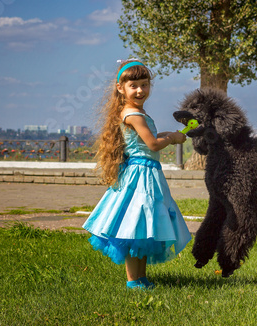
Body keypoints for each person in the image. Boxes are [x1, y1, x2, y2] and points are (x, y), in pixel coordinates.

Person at [82, 60, 191, 289]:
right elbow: (152, 144)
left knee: (142, 227)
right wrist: (172, 138)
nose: (140, 90)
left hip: (147, 174)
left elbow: (147, 137)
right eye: (134, 85)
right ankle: (133, 281)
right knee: (134, 227)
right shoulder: (133, 114)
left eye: (145, 84)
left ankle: (140, 278)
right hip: (140, 176)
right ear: (121, 87)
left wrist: (169, 133)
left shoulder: (136, 112)